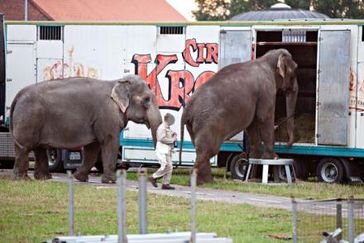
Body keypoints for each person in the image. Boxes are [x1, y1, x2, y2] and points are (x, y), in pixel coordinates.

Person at [149, 113, 177, 190]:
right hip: (163, 149)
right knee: (168, 166)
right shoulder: (162, 127)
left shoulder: (167, 127)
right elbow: (162, 139)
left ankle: (166, 184)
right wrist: (172, 140)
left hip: (167, 149)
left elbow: (166, 136)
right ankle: (154, 177)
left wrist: (173, 135)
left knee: (170, 167)